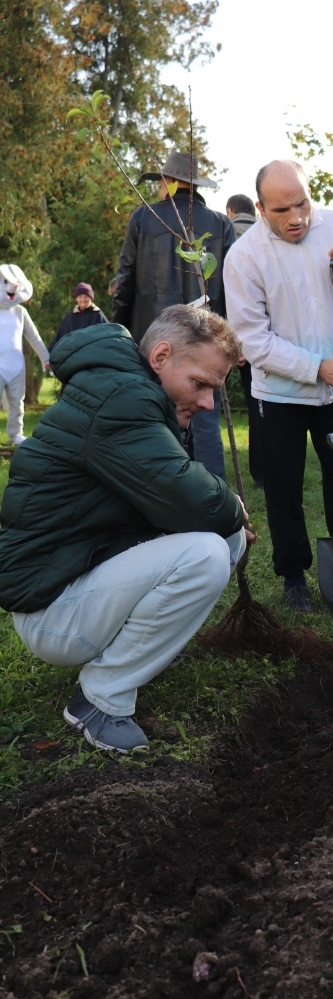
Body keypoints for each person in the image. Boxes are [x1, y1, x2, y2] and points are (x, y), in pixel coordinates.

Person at [0, 306, 251, 753]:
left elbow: (180, 503)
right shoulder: (122, 401)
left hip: (74, 576)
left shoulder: (127, 390)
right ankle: (100, 700)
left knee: (222, 537)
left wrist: (225, 512)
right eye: (200, 384)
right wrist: (231, 506)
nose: (209, 402)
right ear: (160, 356)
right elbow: (198, 502)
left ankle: (140, 653)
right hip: (50, 610)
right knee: (208, 553)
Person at [223, 159, 333, 612]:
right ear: (260, 207)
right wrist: (316, 367)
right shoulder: (245, 257)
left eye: (303, 204)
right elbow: (251, 339)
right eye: (282, 210)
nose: (297, 218)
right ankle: (294, 578)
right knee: (283, 486)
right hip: (279, 394)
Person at [112, 149, 236, 480]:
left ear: (168, 182)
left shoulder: (143, 217)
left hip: (152, 339)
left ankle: (158, 496)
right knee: (206, 420)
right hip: (206, 337)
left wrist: (120, 333)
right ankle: (216, 501)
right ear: (194, 185)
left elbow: (124, 281)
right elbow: (229, 286)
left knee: (151, 418)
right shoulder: (221, 224)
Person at [225, 195, 264, 487]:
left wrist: (236, 343)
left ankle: (259, 471)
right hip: (270, 339)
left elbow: (228, 294)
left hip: (241, 340)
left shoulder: (226, 237)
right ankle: (270, 471)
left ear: (230, 212)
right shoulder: (267, 238)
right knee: (272, 409)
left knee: (255, 409)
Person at [0, 264, 51, 445]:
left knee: (17, 403)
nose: (11, 287)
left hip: (16, 366)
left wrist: (45, 358)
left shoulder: (21, 312)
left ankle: (16, 435)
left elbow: (34, 337)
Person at [49, 282, 109, 351]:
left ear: (91, 298)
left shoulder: (98, 315)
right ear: (76, 299)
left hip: (92, 357)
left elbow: (107, 338)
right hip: (72, 358)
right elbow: (59, 338)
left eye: (86, 297)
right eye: (80, 297)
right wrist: (47, 355)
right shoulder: (70, 317)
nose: (83, 300)